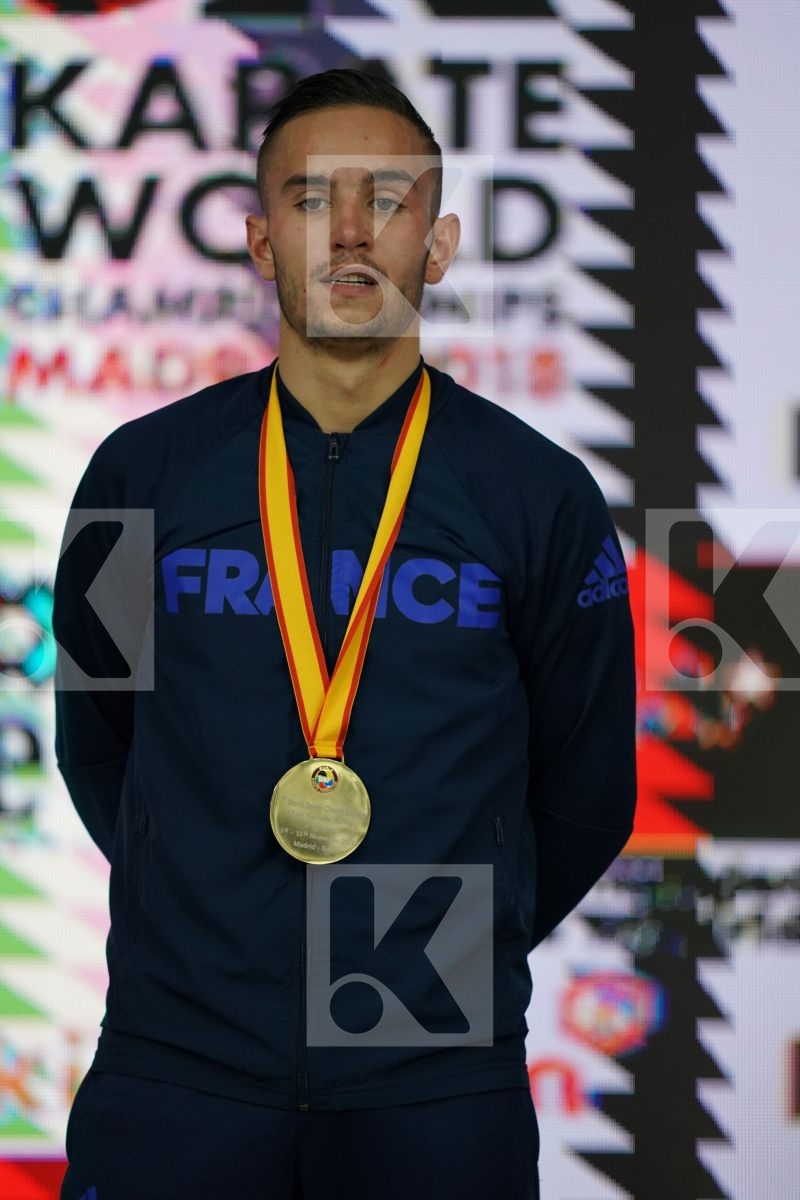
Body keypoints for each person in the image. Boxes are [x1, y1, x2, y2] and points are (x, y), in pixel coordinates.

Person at [54, 68, 636, 1200]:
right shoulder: (143, 473)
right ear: (261, 242)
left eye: (391, 198)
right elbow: (95, 744)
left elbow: (584, 792)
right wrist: (209, 906)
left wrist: (446, 959)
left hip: (436, 1088)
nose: (355, 231)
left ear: (441, 239)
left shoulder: (535, 493)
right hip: (178, 1074)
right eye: (314, 200)